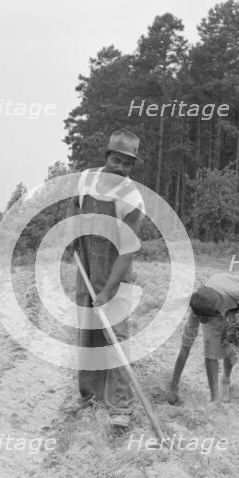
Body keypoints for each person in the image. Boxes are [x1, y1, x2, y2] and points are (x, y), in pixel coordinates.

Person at [67, 129, 145, 431]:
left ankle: (121, 407)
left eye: (128, 164)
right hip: (86, 266)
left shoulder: (132, 198)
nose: (121, 168)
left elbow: (127, 250)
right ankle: (89, 396)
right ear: (106, 157)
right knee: (88, 334)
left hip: (116, 272)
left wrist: (108, 290)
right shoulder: (86, 178)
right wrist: (71, 235)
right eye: (117, 160)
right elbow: (73, 205)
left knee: (117, 341)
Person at [168, 272, 239, 405]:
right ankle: (215, 399)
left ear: (214, 313)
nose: (202, 321)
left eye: (205, 318)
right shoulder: (199, 304)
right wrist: (173, 388)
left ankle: (226, 380)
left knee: (230, 344)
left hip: (233, 305)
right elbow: (185, 348)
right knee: (210, 348)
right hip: (211, 303)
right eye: (200, 318)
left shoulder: (234, 292)